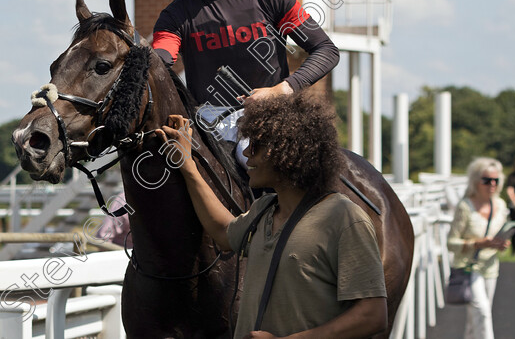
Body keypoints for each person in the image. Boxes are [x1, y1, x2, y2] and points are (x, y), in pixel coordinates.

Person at [157, 92, 387, 338]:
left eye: (255, 146)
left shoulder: (344, 218)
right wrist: (188, 165)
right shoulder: (264, 209)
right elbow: (223, 232)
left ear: (287, 150)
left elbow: (372, 315)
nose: (246, 155)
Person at [151, 0, 339, 163]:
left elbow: (325, 50)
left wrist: (279, 91)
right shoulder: (174, 16)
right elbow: (160, 59)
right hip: (206, 127)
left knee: (251, 161)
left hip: (270, 120)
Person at [447, 157, 510, 339]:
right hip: (468, 267)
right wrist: (478, 243)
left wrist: (501, 244)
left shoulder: (501, 205)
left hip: (490, 267)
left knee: (476, 319)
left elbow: (498, 237)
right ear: (476, 181)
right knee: (482, 313)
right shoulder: (465, 207)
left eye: (495, 180)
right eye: (486, 180)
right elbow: (451, 243)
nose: (491, 184)